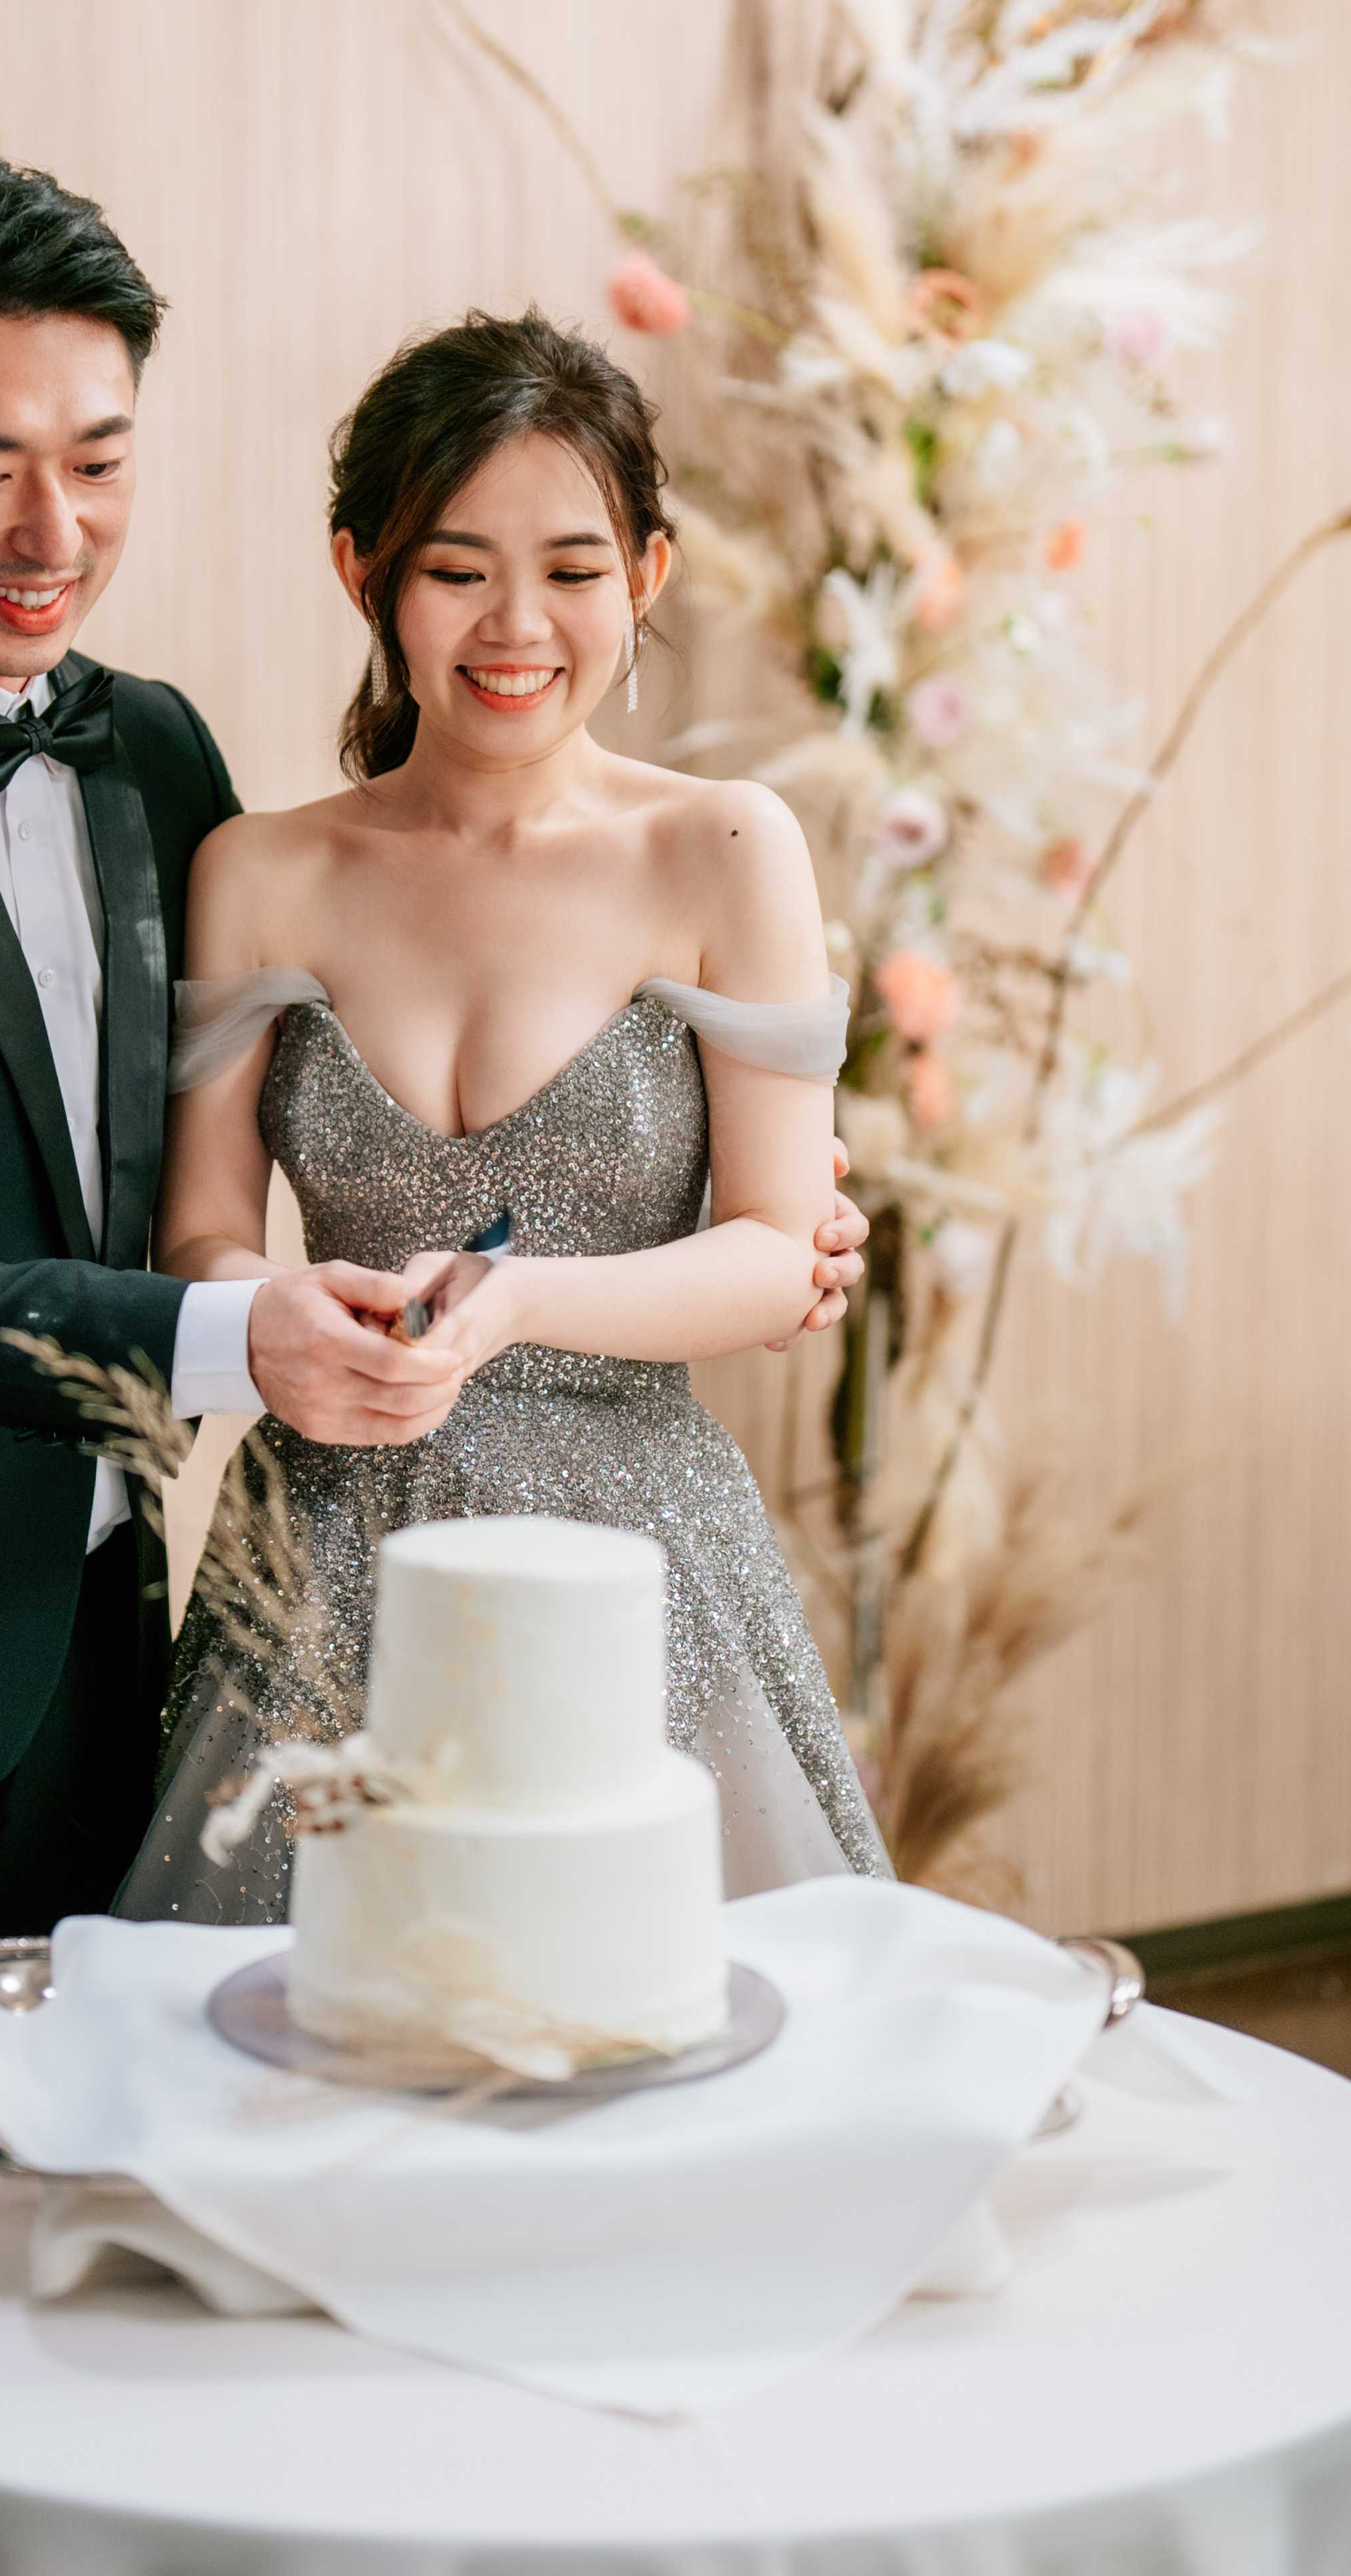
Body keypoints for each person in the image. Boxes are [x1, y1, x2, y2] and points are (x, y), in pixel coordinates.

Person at [0, 155, 875, 2048]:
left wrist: (771, 1229)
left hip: (127, 1634)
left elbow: (173, 1161)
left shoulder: (151, 755)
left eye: (100, 460)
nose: (53, 526)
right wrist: (244, 1327)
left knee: (162, 2140)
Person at [119, 307, 891, 1922]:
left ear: (649, 574)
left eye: (574, 568)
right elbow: (198, 1231)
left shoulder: (725, 850)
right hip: (321, 1553)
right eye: (457, 568)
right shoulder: (258, 870)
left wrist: (518, 1300)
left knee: (633, 2009)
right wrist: (287, 1314)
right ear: (365, 573)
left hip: (638, 1566)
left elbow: (779, 1251)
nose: (517, 624)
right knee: (313, 2025)